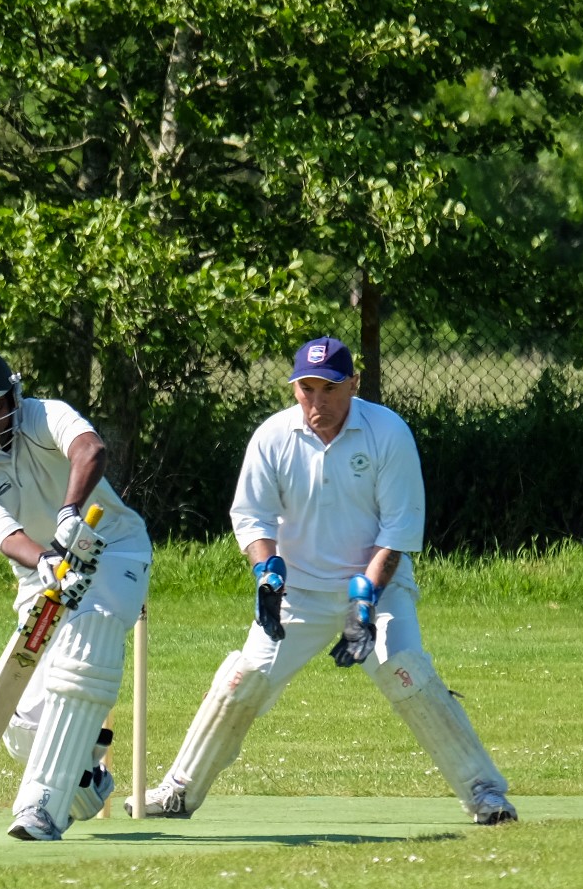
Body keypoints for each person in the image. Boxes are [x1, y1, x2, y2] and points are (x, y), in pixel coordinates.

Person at [136, 336, 517, 825]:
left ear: (354, 384)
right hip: (297, 595)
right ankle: (178, 792)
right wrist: (267, 575)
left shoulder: (387, 432)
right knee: (243, 679)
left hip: (377, 589)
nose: (318, 402)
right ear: (294, 389)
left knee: (407, 672)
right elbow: (252, 518)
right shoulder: (273, 436)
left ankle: (485, 794)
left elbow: (398, 532)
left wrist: (364, 602)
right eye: (307, 389)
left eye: (330, 389)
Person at [0, 348, 151, 841]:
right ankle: (85, 780)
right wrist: (45, 561)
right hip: (43, 575)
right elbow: (5, 534)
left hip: (114, 550)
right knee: (22, 727)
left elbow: (89, 450)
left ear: (14, 396)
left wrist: (69, 512)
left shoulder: (45, 415)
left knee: (84, 647)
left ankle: (41, 810)